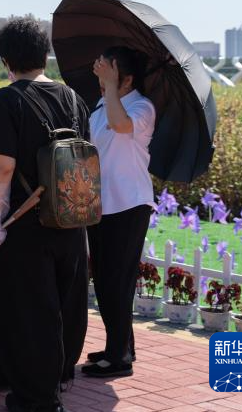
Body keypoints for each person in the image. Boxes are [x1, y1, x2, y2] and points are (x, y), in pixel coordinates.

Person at [0, 17, 90, 412]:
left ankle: (36, 400)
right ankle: (56, 382)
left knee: (29, 314)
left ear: (6, 61)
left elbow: (2, 169)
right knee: (64, 308)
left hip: (28, 227)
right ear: (45, 55)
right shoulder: (74, 99)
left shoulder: (7, 100)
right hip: (72, 220)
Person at [81, 47, 155, 378]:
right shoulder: (100, 107)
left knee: (117, 281)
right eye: (99, 78)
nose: (101, 85)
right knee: (105, 279)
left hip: (129, 204)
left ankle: (119, 356)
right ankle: (122, 345)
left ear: (127, 80)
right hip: (102, 205)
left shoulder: (142, 107)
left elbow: (121, 125)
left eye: (109, 78)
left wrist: (110, 88)